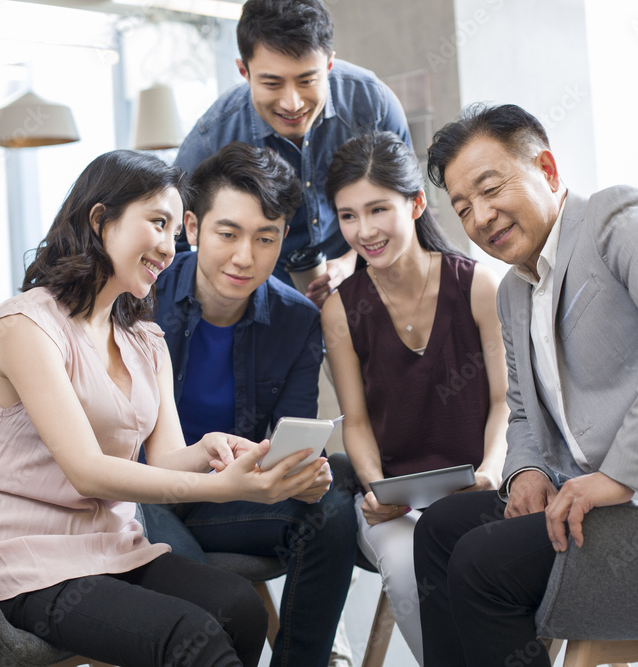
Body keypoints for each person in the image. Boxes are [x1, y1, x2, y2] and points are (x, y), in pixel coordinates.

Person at [413, 103, 638, 667]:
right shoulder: (512, 293)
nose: (481, 218)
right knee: (440, 529)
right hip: (595, 500)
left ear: (546, 169)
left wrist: (619, 474)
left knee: (482, 562)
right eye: (464, 208)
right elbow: (523, 412)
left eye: (491, 189)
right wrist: (526, 472)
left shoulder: (613, 217)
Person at [0, 149, 329, 667]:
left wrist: (209, 450)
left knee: (240, 608)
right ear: (99, 218)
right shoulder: (25, 326)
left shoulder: (144, 339)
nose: (168, 245)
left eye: (175, 229)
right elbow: (88, 473)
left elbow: (163, 461)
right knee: (189, 636)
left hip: (111, 546)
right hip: (25, 562)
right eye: (157, 222)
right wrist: (223, 487)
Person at [143, 141, 358, 667]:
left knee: (331, 508)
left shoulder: (296, 321)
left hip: (228, 495)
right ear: (191, 228)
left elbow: (290, 440)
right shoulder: (138, 299)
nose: (245, 257)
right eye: (228, 233)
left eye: (266, 238)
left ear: (284, 238)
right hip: (141, 492)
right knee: (200, 589)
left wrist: (301, 474)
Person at [320, 130, 508, 663]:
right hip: (393, 504)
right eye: (348, 216)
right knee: (405, 564)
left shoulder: (477, 286)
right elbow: (354, 421)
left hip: (477, 488)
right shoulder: (340, 310)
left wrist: (492, 468)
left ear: (417, 203)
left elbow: (505, 401)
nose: (364, 230)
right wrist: (377, 489)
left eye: (378, 209)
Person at [174, 0, 412, 306]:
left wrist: (355, 259)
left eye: (307, 81)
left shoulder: (373, 104)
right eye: (272, 83)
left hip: (368, 280)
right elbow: (172, 245)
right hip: (261, 304)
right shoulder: (210, 139)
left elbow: (406, 202)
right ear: (243, 71)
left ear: (329, 64)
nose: (292, 103)